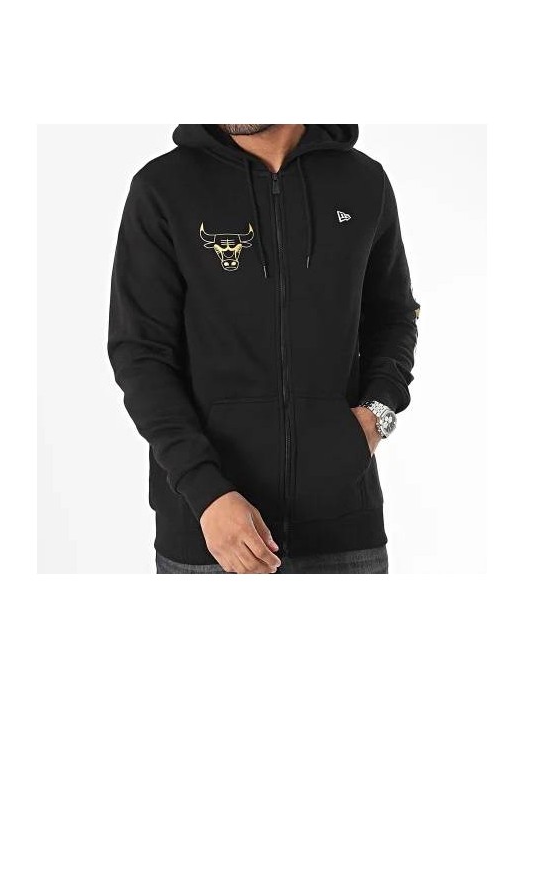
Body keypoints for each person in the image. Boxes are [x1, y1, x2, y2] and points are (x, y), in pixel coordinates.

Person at [108, 124, 418, 574]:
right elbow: (140, 354)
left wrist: (377, 415)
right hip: (212, 533)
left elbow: (393, 316)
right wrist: (206, 492)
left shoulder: (362, 182)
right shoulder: (163, 188)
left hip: (344, 530)